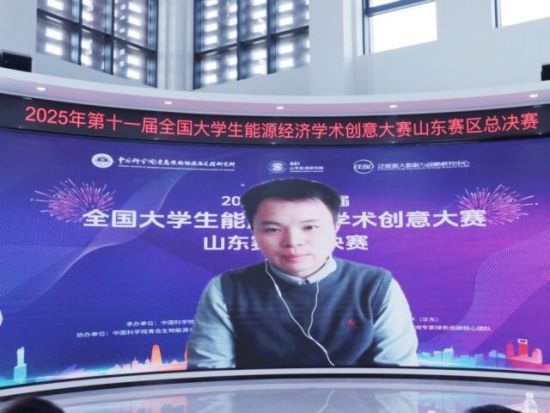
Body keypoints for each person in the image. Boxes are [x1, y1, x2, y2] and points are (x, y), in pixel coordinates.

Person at [187, 178, 418, 369]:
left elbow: (398, 375)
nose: (293, 241)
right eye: (273, 229)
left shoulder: (375, 285)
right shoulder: (227, 288)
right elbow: (209, 377)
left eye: (310, 227)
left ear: (336, 228)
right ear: (254, 233)